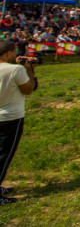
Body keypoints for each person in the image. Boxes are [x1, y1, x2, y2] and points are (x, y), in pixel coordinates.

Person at [0, 40, 38, 205]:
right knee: (3, 155)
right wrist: (29, 70)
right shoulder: (16, 69)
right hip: (10, 118)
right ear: (8, 53)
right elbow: (29, 88)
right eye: (14, 52)